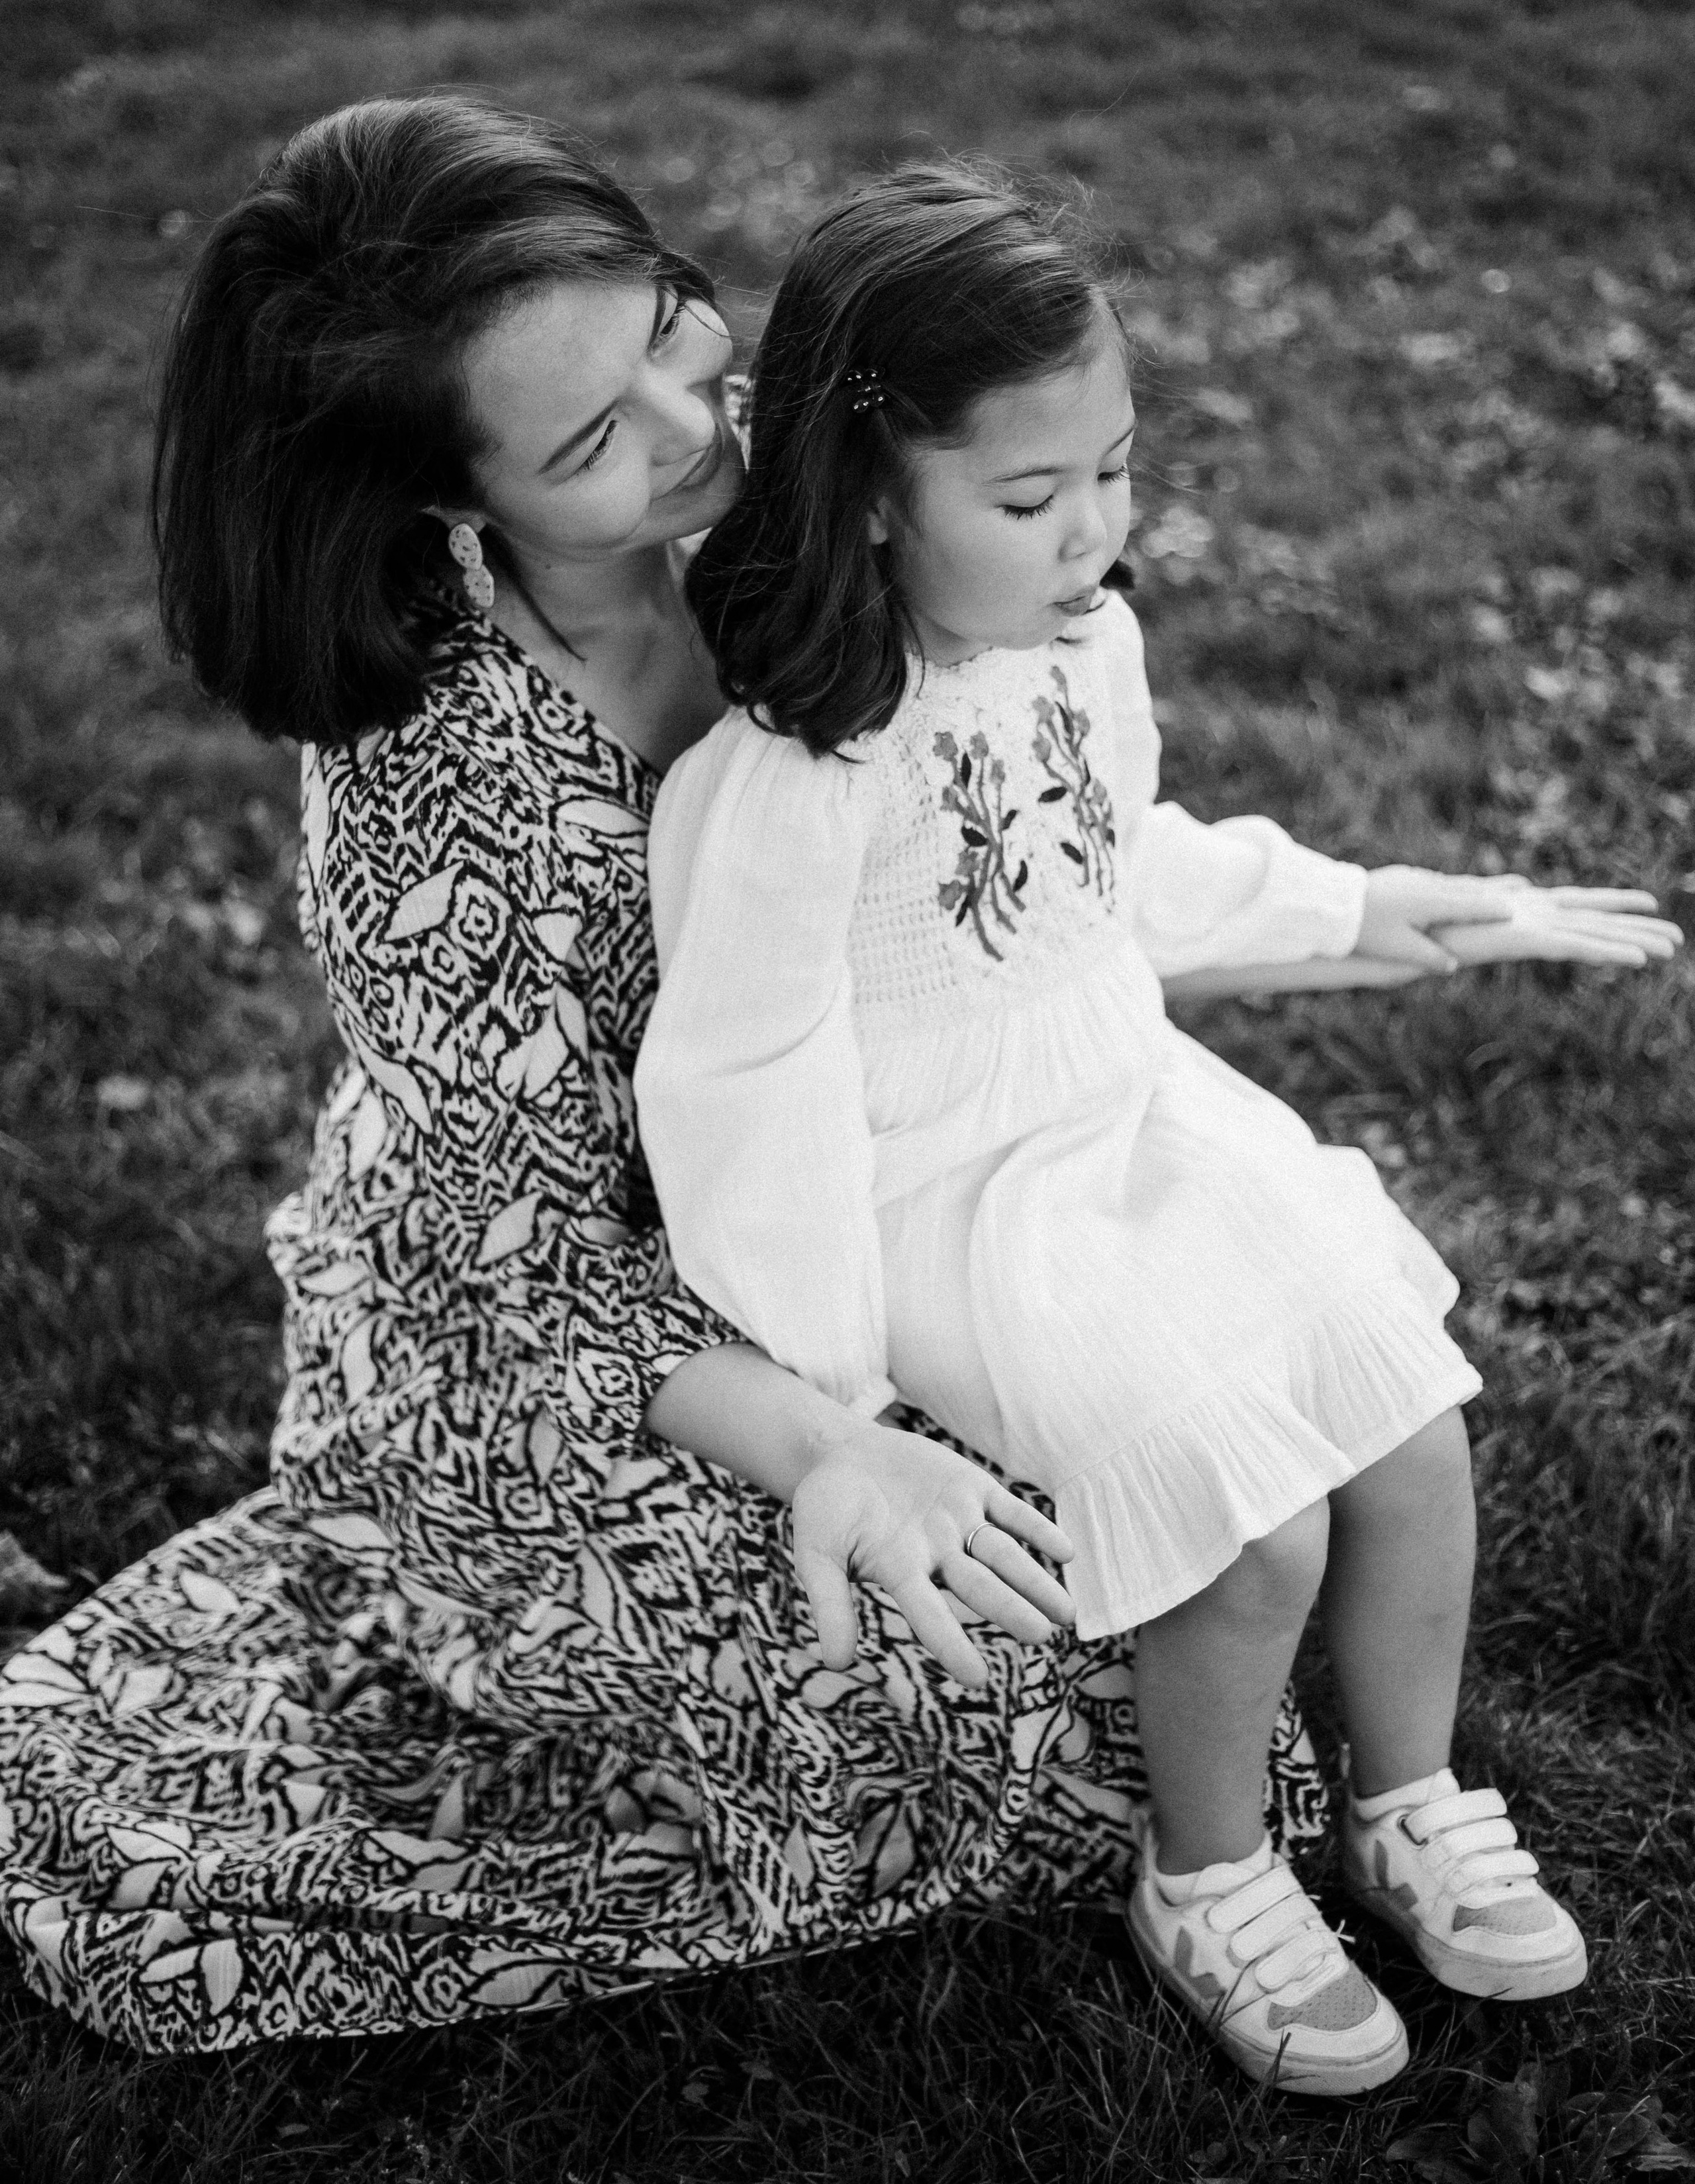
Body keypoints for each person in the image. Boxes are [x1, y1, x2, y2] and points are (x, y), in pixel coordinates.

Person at [0, 97, 1341, 2056]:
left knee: (1207, 1530)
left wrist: (1322, 909)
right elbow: (521, 1260)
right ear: (448, 502)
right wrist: (821, 1443)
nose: (692, 419)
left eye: (664, 322)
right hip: (570, 1333)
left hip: (867, 1203)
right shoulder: (441, 799)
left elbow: (1014, 813)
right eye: (590, 438)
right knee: (1004, 1675)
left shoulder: (781, 526)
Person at [634, 164, 1681, 2097]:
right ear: (874, 500)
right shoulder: (789, 780)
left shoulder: (1082, 652)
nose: (1096, 534)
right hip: (956, 1188)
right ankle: (1206, 1872)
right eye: (1032, 501)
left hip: (1134, 1107)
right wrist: (829, 1393)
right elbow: (741, 1084)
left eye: (1115, 471)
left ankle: (1411, 1794)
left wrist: (1373, 908)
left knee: (1410, 1411)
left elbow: (1112, 880)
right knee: (1249, 1528)